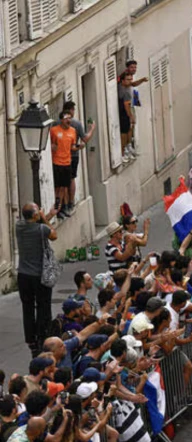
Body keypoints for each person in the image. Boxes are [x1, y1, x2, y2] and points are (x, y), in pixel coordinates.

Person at [16, 203, 58, 357]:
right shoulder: (42, 229)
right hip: (40, 275)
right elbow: (53, 234)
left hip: (23, 275)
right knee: (43, 306)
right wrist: (45, 218)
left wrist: (48, 215)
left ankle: (31, 339)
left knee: (27, 308)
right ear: (35, 215)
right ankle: (42, 336)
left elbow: (37, 227)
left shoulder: (19, 227)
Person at [61, 101, 95, 212]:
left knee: (62, 182)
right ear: (71, 110)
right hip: (73, 155)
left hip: (60, 156)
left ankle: (64, 205)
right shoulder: (76, 123)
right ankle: (71, 203)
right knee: (71, 179)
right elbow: (85, 139)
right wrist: (92, 129)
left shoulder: (57, 123)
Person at [50, 112, 77, 219]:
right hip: (57, 162)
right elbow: (49, 143)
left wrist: (79, 147)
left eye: (70, 118)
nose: (68, 120)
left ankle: (60, 208)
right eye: (66, 118)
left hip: (67, 162)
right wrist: (52, 146)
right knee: (57, 187)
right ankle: (57, 208)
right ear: (61, 120)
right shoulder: (54, 130)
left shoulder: (73, 131)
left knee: (64, 187)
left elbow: (73, 146)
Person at [117, 71, 135, 162]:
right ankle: (124, 152)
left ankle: (127, 148)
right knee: (125, 133)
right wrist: (131, 116)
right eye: (128, 80)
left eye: (130, 79)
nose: (130, 81)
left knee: (128, 130)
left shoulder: (120, 86)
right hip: (124, 114)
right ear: (123, 80)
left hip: (121, 113)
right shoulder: (127, 91)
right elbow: (126, 105)